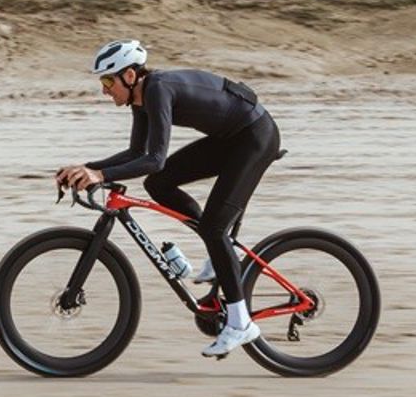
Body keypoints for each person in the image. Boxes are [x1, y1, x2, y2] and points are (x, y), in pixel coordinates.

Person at [55, 39, 282, 358]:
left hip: (255, 137)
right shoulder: (140, 100)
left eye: (108, 81)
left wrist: (101, 176)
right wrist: (88, 168)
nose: (105, 90)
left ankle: (240, 323)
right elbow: (137, 153)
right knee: (159, 185)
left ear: (130, 76)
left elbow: (155, 157)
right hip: (230, 139)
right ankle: (222, 254)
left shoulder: (158, 89)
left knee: (214, 227)